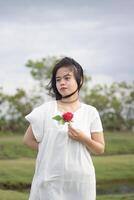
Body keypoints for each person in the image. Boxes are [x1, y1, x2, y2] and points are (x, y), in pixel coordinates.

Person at [23, 57, 105, 200]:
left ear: (80, 81)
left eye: (67, 78)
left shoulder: (90, 112)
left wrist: (83, 138)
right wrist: (52, 148)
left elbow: (99, 148)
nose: (61, 82)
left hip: (81, 182)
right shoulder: (45, 110)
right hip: (49, 180)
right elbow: (27, 140)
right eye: (58, 79)